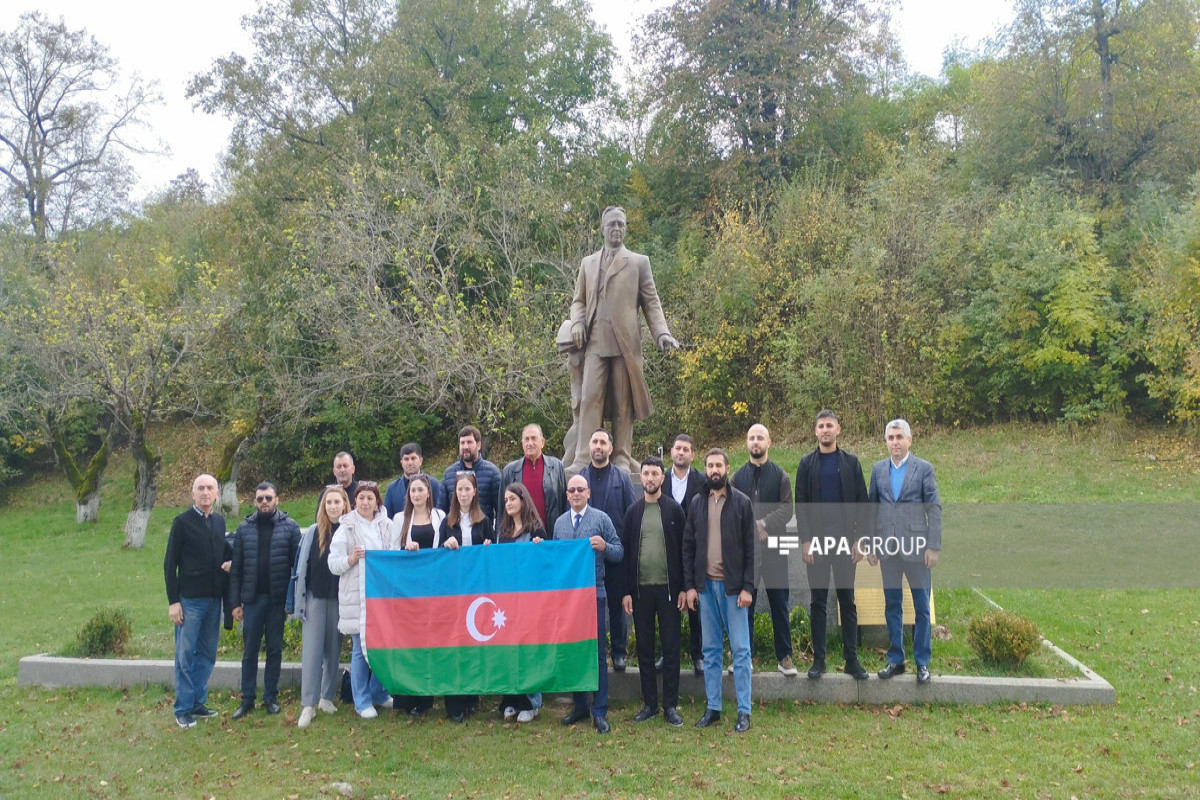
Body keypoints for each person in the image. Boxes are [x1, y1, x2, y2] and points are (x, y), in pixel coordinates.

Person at [566, 206, 679, 473]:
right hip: (594, 341)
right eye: (612, 224)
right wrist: (578, 323)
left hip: (625, 344)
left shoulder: (639, 262)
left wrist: (662, 333)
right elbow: (578, 301)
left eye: (621, 224)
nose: (617, 229)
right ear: (603, 228)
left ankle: (621, 457)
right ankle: (583, 456)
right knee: (589, 397)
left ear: (626, 228)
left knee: (622, 402)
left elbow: (651, 302)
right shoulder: (588, 263)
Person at [682, 449, 756, 733]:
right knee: (710, 650)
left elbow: (751, 549)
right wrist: (690, 586)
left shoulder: (742, 503)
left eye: (719, 465)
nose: (714, 470)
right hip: (705, 588)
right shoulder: (697, 503)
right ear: (705, 469)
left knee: (740, 650)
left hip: (733, 589)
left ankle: (744, 711)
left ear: (727, 468)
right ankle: (713, 708)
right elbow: (688, 547)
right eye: (710, 465)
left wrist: (747, 587)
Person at [866, 419, 942, 685]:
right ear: (886, 441)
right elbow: (872, 509)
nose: (895, 442)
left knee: (921, 608)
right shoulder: (877, 470)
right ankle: (896, 659)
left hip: (918, 550)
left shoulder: (923, 469)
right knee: (893, 605)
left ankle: (922, 662)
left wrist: (933, 546)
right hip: (888, 550)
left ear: (909, 440)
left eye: (900, 437)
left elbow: (934, 508)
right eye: (891, 437)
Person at [795, 410, 870, 681]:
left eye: (830, 425)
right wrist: (805, 541)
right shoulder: (806, 464)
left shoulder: (850, 463)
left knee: (847, 602)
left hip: (845, 544)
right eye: (821, 426)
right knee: (818, 603)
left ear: (838, 429)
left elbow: (862, 503)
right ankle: (819, 661)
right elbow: (800, 505)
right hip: (816, 543)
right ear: (815, 431)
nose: (825, 430)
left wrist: (860, 540)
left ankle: (852, 660)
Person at [553, 474, 624, 734]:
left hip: (595, 594)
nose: (575, 494)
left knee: (595, 653)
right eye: (571, 490)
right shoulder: (560, 524)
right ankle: (580, 705)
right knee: (574, 652)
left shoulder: (601, 519)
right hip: (567, 599)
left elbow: (619, 551)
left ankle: (600, 709)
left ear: (588, 492)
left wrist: (605, 546)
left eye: (580, 489)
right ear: (567, 494)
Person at [620, 456, 686, 727]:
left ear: (662, 478)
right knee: (645, 650)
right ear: (641, 478)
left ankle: (670, 705)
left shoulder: (673, 511)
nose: (649, 478)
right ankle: (650, 704)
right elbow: (625, 555)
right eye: (645, 473)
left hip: (670, 592)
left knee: (671, 649)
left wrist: (684, 588)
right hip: (640, 592)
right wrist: (626, 591)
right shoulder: (632, 512)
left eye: (655, 474)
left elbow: (684, 552)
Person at [229, 482, 302, 720]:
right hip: (251, 601)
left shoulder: (289, 527)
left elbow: (296, 569)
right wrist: (234, 604)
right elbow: (236, 570)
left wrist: (291, 601)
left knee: (274, 650)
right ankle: (246, 699)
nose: (264, 502)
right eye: (260, 498)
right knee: (249, 651)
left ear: (277, 500)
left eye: (268, 498)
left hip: (277, 601)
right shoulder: (244, 529)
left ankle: (271, 697)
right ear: (254, 502)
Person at [164, 474, 229, 729]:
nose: (205, 492)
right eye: (200, 488)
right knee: (185, 656)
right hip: (189, 601)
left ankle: (198, 703)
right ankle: (182, 708)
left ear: (217, 494)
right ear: (193, 494)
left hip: (214, 601)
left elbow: (222, 552)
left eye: (209, 488)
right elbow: (170, 564)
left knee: (207, 654)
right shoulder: (181, 522)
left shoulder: (219, 522)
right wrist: (173, 601)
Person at [732, 424, 797, 677]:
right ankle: (743, 656)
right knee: (744, 604)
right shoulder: (737, 478)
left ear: (769, 443)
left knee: (779, 603)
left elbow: (787, 509)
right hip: (747, 553)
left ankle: (785, 657)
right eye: (751, 438)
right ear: (747, 443)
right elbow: (733, 511)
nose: (755, 442)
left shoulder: (780, 476)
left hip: (774, 549)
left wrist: (763, 523)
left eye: (760, 438)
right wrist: (751, 528)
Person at [329, 482, 396, 718]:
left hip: (381, 597)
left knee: (383, 646)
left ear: (377, 501)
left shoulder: (387, 526)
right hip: (356, 597)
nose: (366, 502)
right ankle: (361, 699)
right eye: (361, 498)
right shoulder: (345, 528)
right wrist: (350, 559)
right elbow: (333, 564)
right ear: (354, 501)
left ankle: (378, 692)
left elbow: (394, 555)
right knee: (360, 649)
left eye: (370, 498)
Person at [397, 475, 458, 719]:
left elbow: (447, 544)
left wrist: (450, 542)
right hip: (411, 591)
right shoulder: (400, 519)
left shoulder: (441, 516)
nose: (417, 494)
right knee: (417, 644)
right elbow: (392, 552)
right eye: (413, 490)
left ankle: (446, 695)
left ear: (428, 492)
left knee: (441, 642)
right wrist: (406, 549)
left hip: (437, 589)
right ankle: (421, 699)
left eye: (421, 490)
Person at [577, 428, 635, 671]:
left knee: (616, 604)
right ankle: (593, 650)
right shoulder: (580, 478)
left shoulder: (621, 478)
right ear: (589, 447)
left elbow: (631, 513)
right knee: (589, 607)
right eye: (594, 442)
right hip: (587, 557)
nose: (598, 446)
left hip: (614, 552)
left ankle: (619, 651)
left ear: (611, 449)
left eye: (603, 442)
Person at [292, 486, 348, 728]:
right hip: (315, 599)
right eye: (329, 503)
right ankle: (309, 704)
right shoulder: (314, 532)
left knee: (333, 651)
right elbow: (301, 569)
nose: (333, 507)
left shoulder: (349, 531)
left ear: (345, 504)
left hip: (340, 600)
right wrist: (300, 604)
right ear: (323, 507)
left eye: (337, 502)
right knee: (312, 653)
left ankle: (327, 697)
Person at [494, 482, 549, 723]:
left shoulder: (536, 530)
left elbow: (545, 564)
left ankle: (531, 702)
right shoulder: (503, 533)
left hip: (528, 601)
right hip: (506, 602)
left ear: (523, 500)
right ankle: (511, 700)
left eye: (512, 499)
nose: (508, 503)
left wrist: (540, 550)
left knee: (528, 650)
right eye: (506, 500)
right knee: (507, 650)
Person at [668, 433, 706, 674]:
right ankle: (668, 654)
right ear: (671, 452)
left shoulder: (702, 481)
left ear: (693, 455)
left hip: (695, 550)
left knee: (695, 604)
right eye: (677, 448)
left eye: (685, 449)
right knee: (669, 606)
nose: (681, 452)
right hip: (668, 550)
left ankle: (698, 654)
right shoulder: (659, 479)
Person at [499, 423, 567, 534]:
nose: (530, 443)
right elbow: (502, 510)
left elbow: (564, 503)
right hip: (520, 538)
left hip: (550, 535)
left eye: (534, 438)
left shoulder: (557, 467)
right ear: (522, 444)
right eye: (526, 439)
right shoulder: (510, 471)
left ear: (542, 442)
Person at [441, 425, 503, 522]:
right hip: (455, 534)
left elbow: (501, 511)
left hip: (483, 534)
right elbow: (441, 510)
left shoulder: (492, 473)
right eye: (462, 443)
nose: (465, 446)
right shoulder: (449, 474)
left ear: (478, 445)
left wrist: (496, 536)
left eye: (469, 442)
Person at [383, 442, 444, 518]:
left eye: (413, 458)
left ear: (420, 461)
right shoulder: (392, 489)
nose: (410, 462)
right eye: (406, 459)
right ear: (401, 463)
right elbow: (386, 519)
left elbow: (441, 513)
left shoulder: (434, 485)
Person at [440, 471, 495, 548]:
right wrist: (445, 544)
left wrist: (489, 545)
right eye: (460, 489)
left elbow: (494, 550)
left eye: (467, 489)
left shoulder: (484, 521)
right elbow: (439, 553)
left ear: (474, 491)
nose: (463, 494)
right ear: (455, 491)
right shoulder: (447, 522)